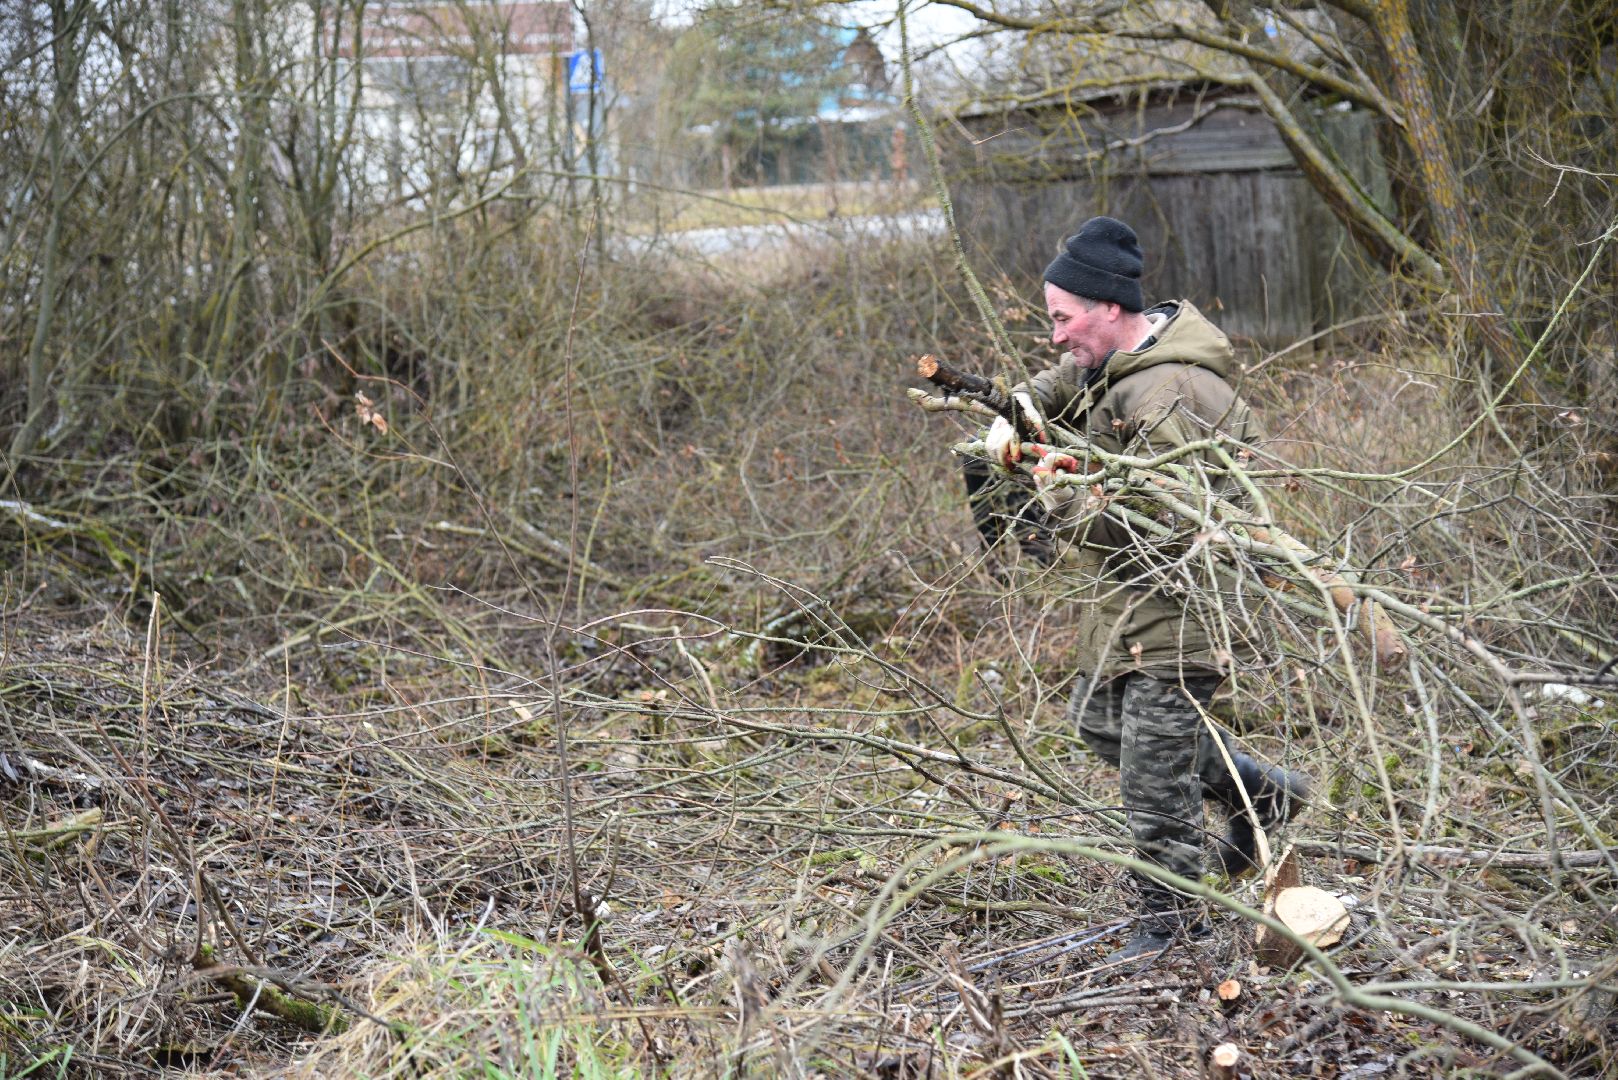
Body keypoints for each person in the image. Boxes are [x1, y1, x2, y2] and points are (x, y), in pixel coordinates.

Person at [982, 216, 1311, 962]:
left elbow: (1162, 529)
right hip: (1129, 607)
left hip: (1180, 606)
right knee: (1098, 721)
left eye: (1063, 319)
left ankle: (1172, 923)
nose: (1056, 336)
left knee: (1153, 780)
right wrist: (1015, 413)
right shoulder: (1119, 364)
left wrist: (1062, 501)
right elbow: (1063, 384)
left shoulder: (1168, 390)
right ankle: (1260, 791)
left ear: (1108, 306)